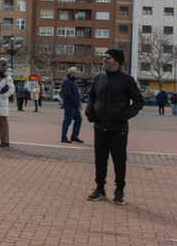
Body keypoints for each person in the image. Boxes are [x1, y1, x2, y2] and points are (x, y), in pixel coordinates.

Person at [85, 49, 144, 205]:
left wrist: (125, 115)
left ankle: (119, 191)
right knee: (100, 160)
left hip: (118, 128)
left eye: (107, 57)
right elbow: (91, 97)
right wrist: (90, 112)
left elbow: (138, 101)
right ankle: (99, 189)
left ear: (117, 61)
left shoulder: (127, 80)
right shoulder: (99, 78)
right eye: (103, 57)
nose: (104, 59)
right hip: (99, 126)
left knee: (119, 160)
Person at [60, 67, 85, 143]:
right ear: (72, 73)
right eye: (76, 74)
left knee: (78, 120)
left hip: (74, 105)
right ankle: (63, 137)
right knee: (67, 121)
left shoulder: (72, 81)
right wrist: (76, 102)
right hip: (69, 105)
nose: (77, 76)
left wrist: (78, 103)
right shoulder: (67, 81)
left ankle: (74, 136)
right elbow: (67, 95)